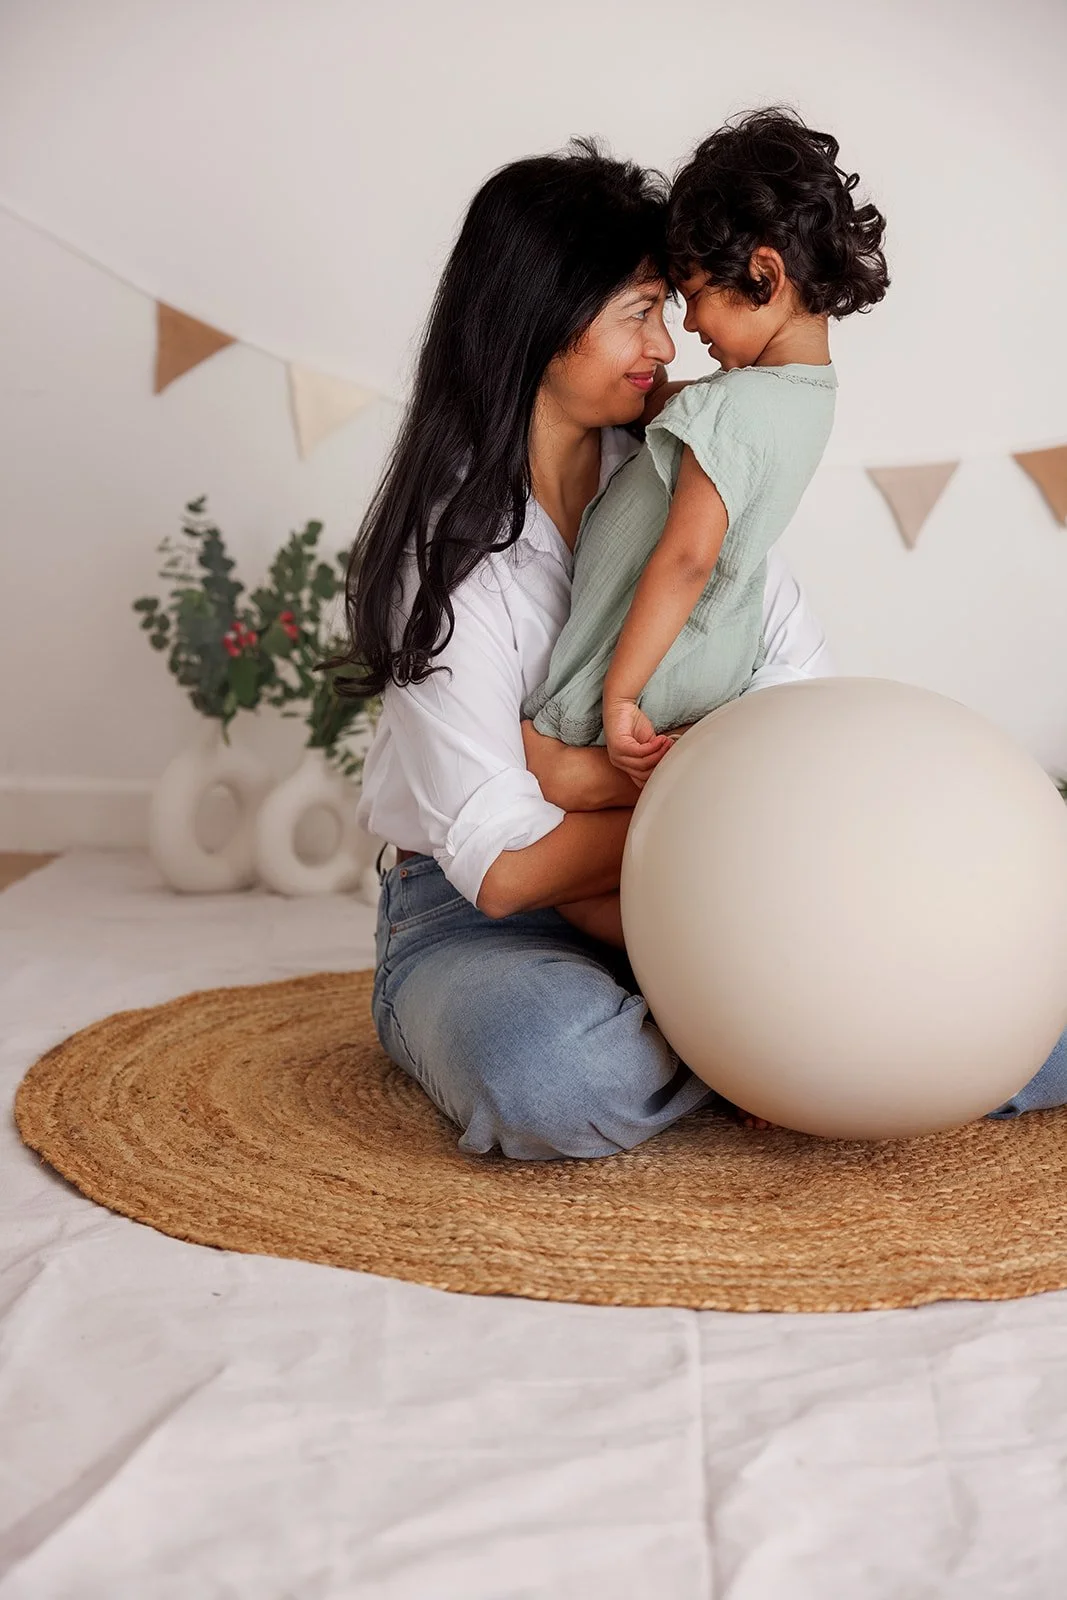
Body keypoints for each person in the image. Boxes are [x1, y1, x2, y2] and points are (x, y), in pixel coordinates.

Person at [327, 135, 1067, 1162]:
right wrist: (721, 806)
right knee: (552, 1072)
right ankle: (781, 1060)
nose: (668, 348)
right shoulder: (453, 553)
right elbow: (504, 871)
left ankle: (768, 1046)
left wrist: (607, 783)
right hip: (484, 927)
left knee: (1034, 1008)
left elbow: (795, 715)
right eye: (638, 311)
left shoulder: (681, 478)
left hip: (719, 895)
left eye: (668, 313)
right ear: (540, 322)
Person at [522, 107, 888, 948]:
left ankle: (688, 962)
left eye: (691, 300)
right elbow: (690, 406)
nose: (687, 329)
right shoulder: (797, 400)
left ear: (762, 272)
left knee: (552, 812)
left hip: (647, 664)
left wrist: (618, 696)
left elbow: (687, 557)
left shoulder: (736, 408)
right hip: (706, 664)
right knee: (664, 852)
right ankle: (707, 953)